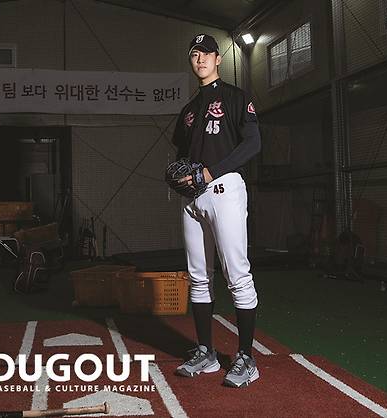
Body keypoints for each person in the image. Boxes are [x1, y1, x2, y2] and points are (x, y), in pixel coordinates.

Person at [170, 34, 262, 388]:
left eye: (206, 53)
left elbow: (253, 143)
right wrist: (180, 177)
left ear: (218, 58)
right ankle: (206, 352)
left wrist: (210, 172)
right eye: (194, 54)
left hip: (225, 189)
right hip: (193, 199)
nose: (200, 59)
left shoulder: (236, 97)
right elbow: (181, 155)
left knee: (237, 274)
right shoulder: (188, 110)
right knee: (198, 277)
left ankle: (246, 358)